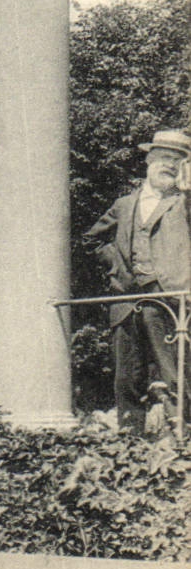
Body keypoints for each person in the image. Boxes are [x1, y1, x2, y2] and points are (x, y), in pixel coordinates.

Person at [85, 129, 191, 434]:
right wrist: (117, 264)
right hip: (125, 299)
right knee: (127, 375)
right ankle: (130, 440)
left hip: (169, 300)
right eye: (164, 159)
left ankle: (182, 437)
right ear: (149, 161)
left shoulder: (183, 205)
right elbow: (90, 241)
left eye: (178, 161)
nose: (169, 166)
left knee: (174, 370)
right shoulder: (125, 204)